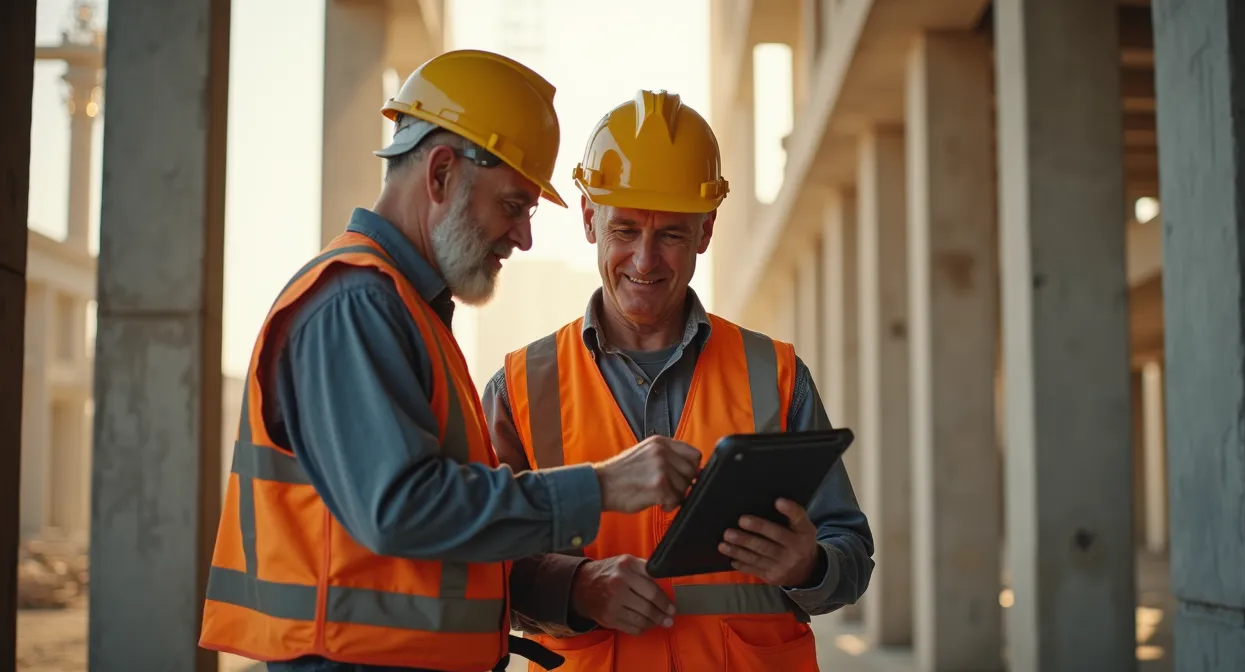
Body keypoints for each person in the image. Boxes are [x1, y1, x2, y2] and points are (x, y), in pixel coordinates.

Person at [197, 52, 704, 672]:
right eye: (513, 205)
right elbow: (403, 509)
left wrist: (570, 583)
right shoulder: (356, 305)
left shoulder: (407, 311)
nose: (523, 237)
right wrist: (602, 487)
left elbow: (449, 531)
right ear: (441, 173)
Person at [481, 90, 875, 672]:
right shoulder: (519, 389)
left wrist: (809, 567)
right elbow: (481, 564)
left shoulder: (776, 374)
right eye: (624, 230)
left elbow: (850, 552)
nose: (645, 261)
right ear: (589, 219)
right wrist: (578, 587)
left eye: (670, 234)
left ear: (706, 231)